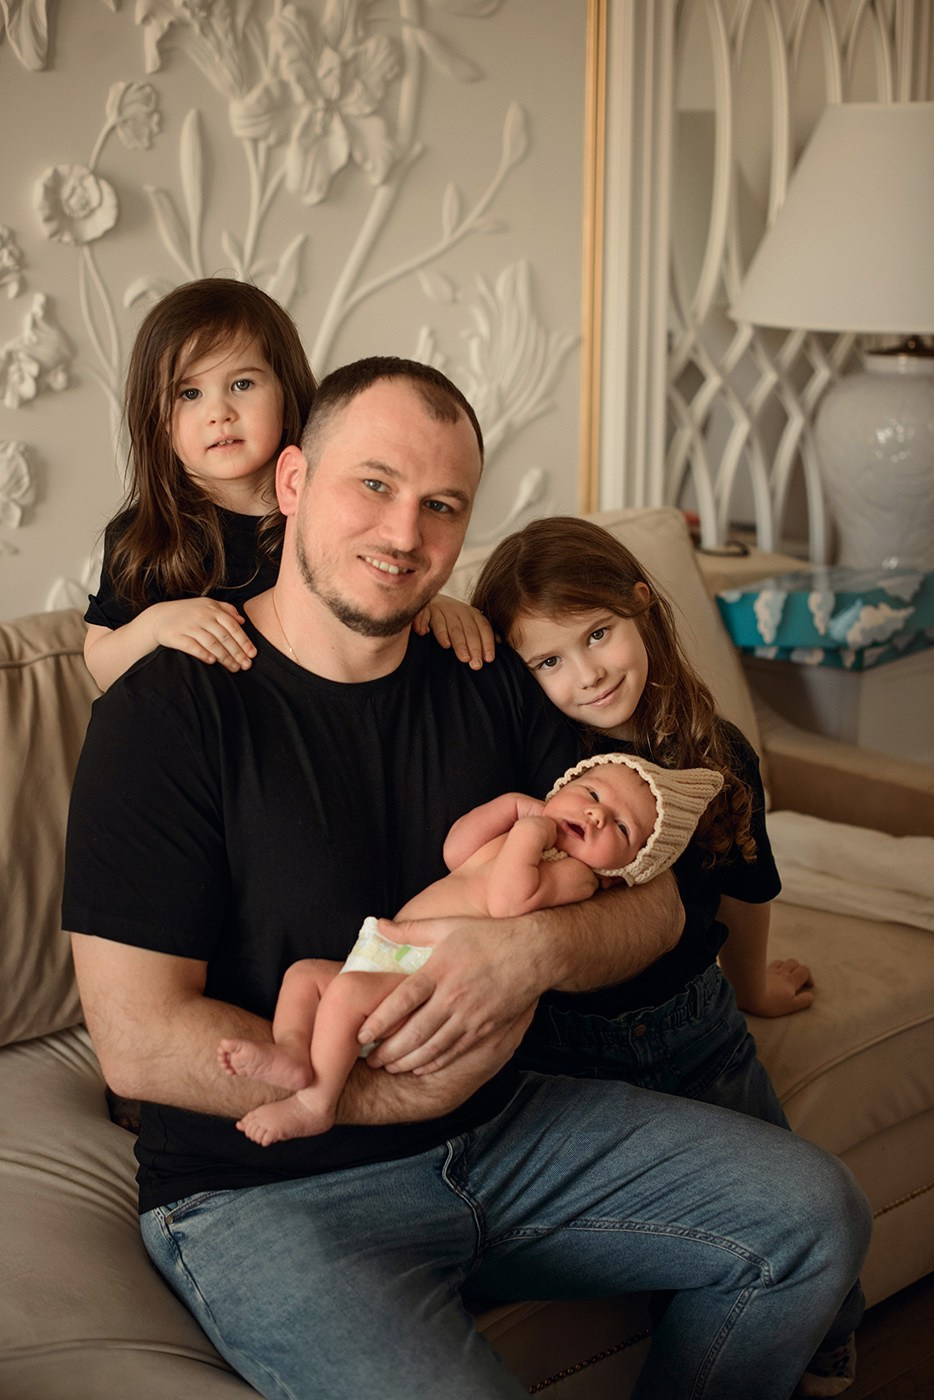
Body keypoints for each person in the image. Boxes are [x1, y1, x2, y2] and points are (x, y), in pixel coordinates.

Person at [64, 357, 870, 1400]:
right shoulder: (167, 713)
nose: (406, 533)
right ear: (296, 480)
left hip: (509, 1129)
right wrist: (400, 1083)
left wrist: (529, 950)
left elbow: (656, 897)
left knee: (815, 1217)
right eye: (375, 484)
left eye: (441, 505)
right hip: (263, 1194)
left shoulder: (486, 673)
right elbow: (136, 1041)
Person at [453, 514, 860, 1396]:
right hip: (562, 1052)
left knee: (814, 1245)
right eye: (548, 660)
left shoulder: (715, 753)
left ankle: (814, 1367)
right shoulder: (537, 765)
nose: (588, 673)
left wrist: (752, 989)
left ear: (642, 604)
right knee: (682, 1232)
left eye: (597, 634)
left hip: (698, 1034)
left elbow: (749, 893)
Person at [219, 753, 724, 1145]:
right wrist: (508, 807)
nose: (595, 812)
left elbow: (510, 902)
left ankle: (316, 1102)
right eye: (590, 791)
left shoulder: (577, 877)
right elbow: (456, 852)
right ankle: (291, 1051)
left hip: (427, 975)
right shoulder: (521, 838)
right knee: (305, 976)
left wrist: (528, 831)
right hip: (390, 953)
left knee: (347, 994)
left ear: (623, 872)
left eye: (619, 827)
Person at [83, 277, 318, 691]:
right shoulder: (145, 536)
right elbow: (102, 666)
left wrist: (430, 610)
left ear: (288, 396)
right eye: (189, 393)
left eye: (242, 384)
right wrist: (155, 626)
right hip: (197, 740)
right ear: (159, 421)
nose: (219, 413)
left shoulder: (324, 516)